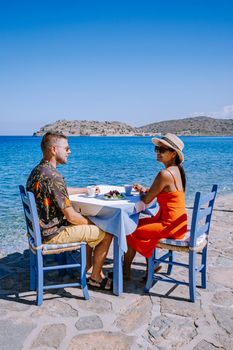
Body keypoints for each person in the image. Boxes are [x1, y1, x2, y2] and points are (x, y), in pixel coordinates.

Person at [26, 131, 112, 290]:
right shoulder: (53, 176)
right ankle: (95, 277)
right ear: (53, 149)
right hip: (52, 234)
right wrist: (95, 224)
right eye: (66, 148)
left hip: (39, 231)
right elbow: (71, 217)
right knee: (106, 232)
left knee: (87, 223)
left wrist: (85, 190)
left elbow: (61, 190)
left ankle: (86, 267)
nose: (69, 151)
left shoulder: (38, 170)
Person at [124, 133, 187, 279]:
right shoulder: (178, 171)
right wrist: (146, 190)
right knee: (135, 225)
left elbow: (146, 200)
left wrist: (143, 194)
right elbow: (166, 192)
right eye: (156, 149)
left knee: (129, 229)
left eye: (162, 150)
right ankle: (151, 265)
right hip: (178, 224)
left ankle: (126, 271)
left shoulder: (164, 174)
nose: (158, 152)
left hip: (169, 225)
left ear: (173, 154)